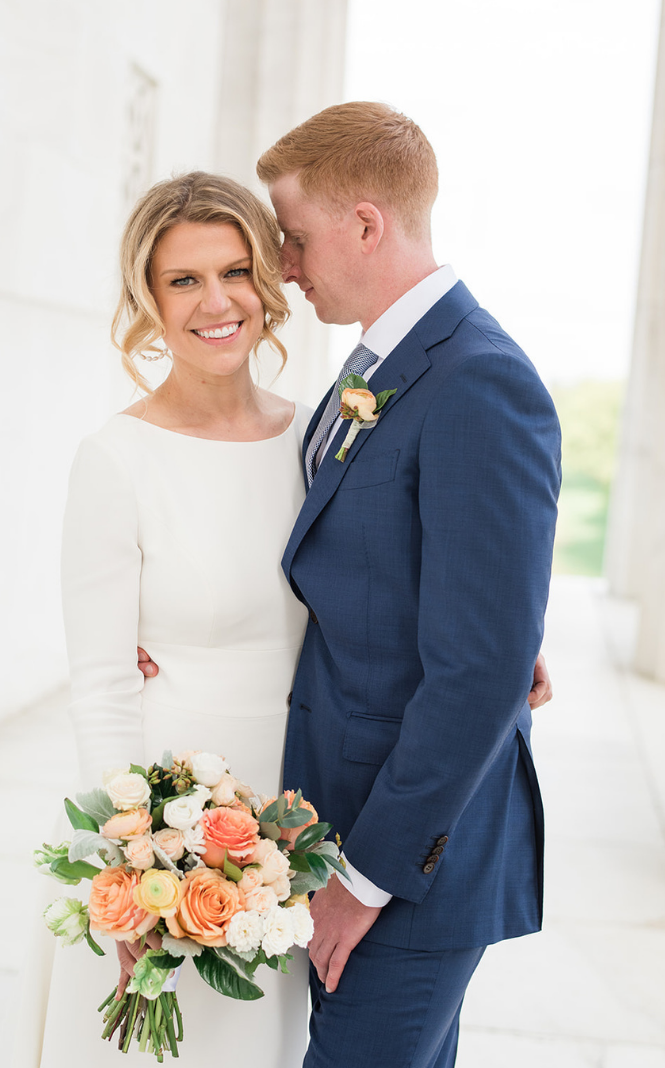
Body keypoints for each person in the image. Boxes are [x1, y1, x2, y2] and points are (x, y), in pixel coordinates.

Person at [258, 102, 559, 1068]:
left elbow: (477, 672)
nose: (286, 266)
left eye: (294, 238)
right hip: (342, 821)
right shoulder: (379, 362)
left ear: (365, 223)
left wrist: (368, 877)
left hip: (410, 861)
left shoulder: (481, 382)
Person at [46, 171, 314, 1066]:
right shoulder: (115, 459)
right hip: (166, 819)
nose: (217, 302)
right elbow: (101, 680)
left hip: (299, 807)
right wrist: (127, 869)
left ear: (268, 281)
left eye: (235, 271)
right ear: (147, 300)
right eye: (184, 280)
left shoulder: (318, 439)